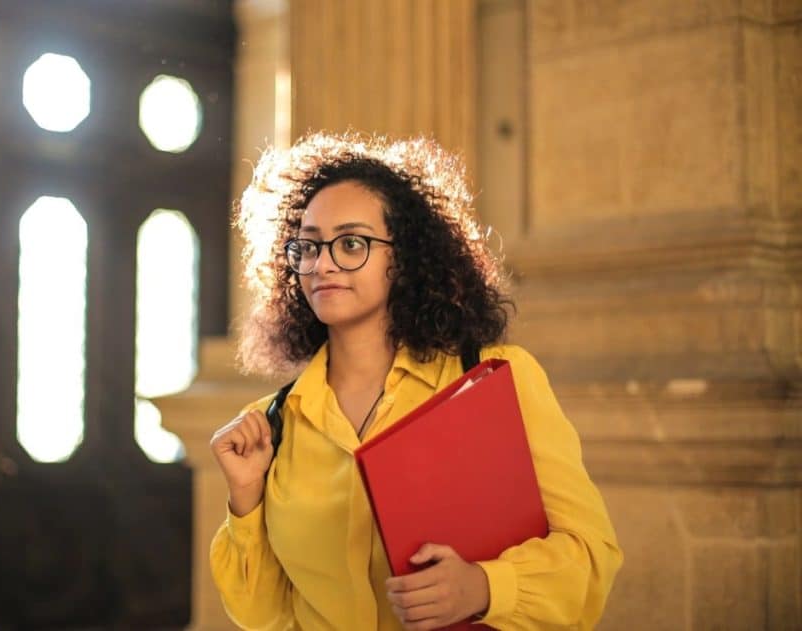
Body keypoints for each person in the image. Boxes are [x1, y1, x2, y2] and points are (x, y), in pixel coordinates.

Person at [209, 132, 623, 630]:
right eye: (309, 246)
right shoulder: (274, 424)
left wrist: (485, 587)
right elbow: (263, 615)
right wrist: (247, 499)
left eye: (352, 243)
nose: (323, 264)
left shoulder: (493, 380)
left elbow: (591, 561)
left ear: (402, 257)